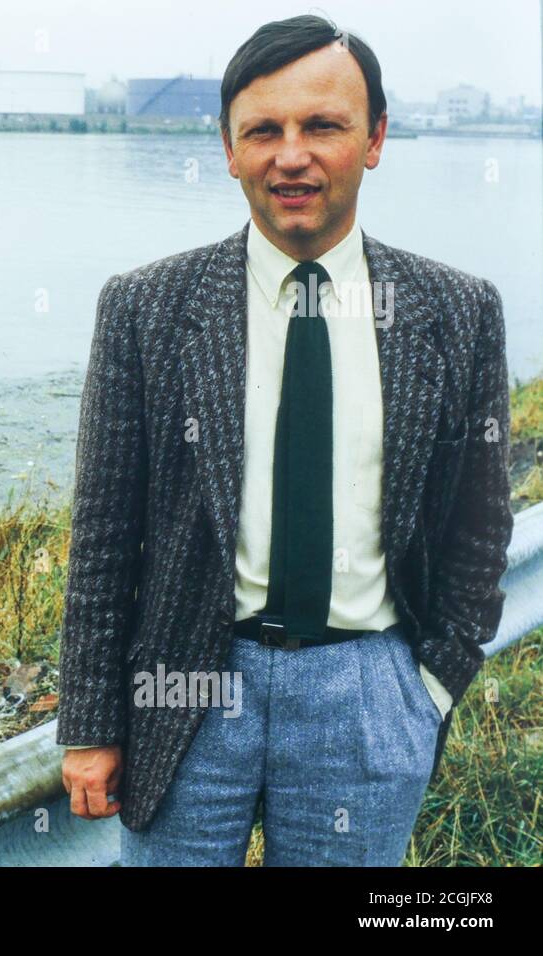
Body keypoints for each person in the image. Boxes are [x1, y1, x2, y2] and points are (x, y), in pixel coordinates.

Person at [56, 14, 513, 865]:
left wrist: (429, 688)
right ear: (229, 149)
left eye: (323, 126)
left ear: (374, 138)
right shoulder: (146, 307)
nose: (290, 155)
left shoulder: (458, 311)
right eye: (262, 130)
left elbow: (479, 527)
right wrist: (88, 724)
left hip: (367, 691)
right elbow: (104, 534)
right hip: (187, 685)